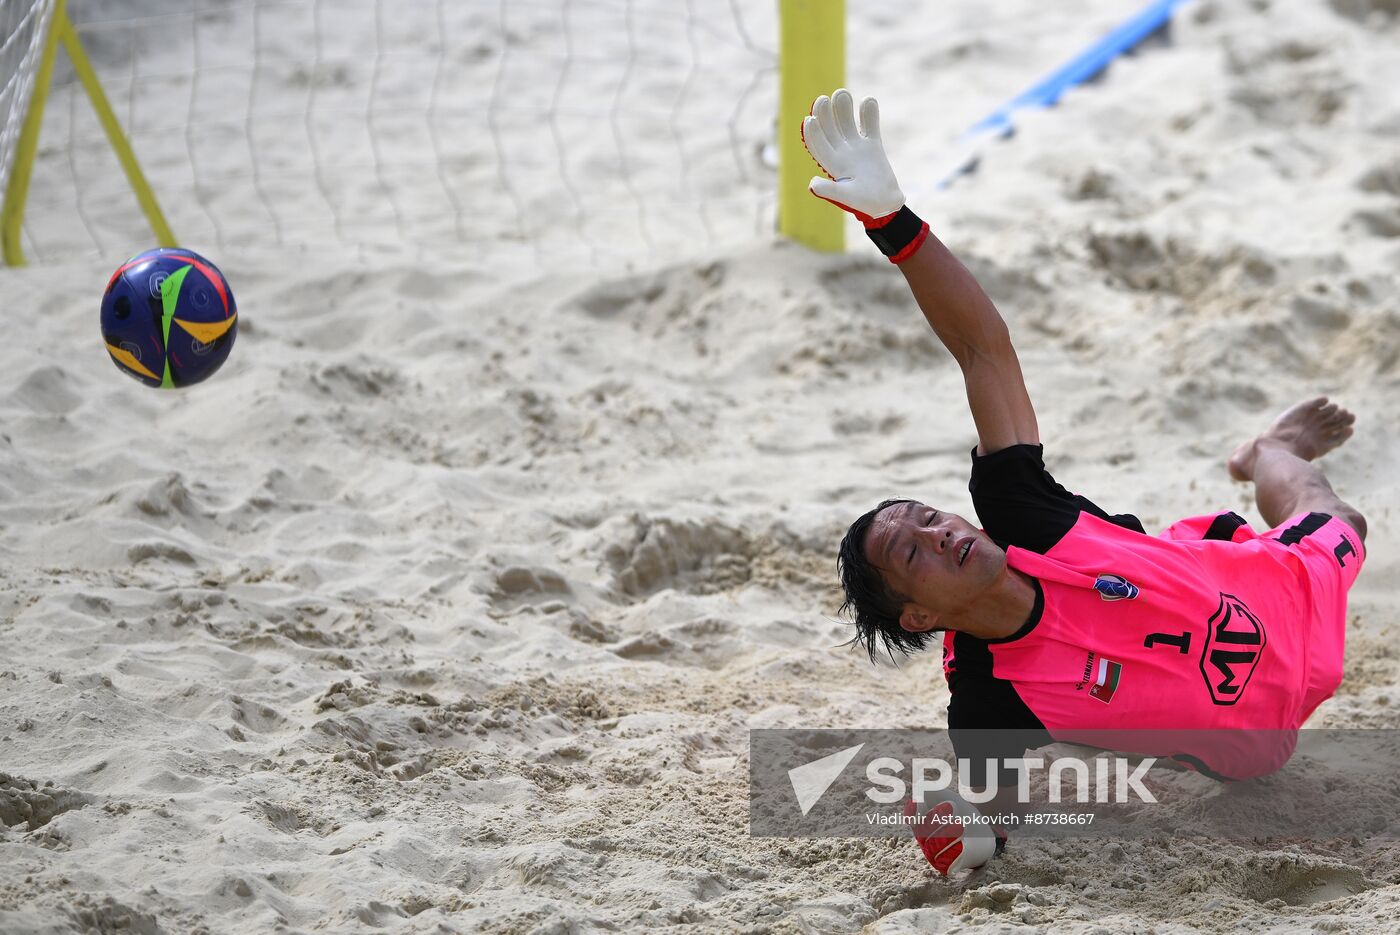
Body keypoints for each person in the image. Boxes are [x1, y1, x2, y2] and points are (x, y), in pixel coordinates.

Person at [803, 89, 1368, 875]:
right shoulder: (988, 701)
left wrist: (894, 224)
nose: (940, 530)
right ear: (922, 610)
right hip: (1257, 744)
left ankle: (1269, 449)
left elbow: (984, 350)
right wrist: (963, 837)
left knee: (1334, 513)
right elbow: (987, 825)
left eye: (929, 517)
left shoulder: (1020, 512)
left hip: (1263, 587)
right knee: (1266, 763)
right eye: (912, 550)